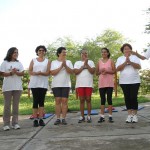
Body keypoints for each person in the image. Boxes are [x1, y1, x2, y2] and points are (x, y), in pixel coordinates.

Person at [0, 47, 24, 131]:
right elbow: (2, 74)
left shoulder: (19, 63)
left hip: (17, 87)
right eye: (14, 52)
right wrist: (11, 73)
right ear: (10, 53)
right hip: (7, 87)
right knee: (7, 106)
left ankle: (15, 123)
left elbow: (22, 73)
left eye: (17, 52)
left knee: (15, 106)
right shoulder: (5, 63)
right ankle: (6, 124)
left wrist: (16, 72)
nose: (16, 54)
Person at [116, 43, 141, 123]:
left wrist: (130, 62)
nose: (127, 50)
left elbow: (139, 67)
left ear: (131, 50)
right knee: (127, 97)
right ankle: (129, 115)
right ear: (123, 51)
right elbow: (118, 68)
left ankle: (134, 115)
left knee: (133, 97)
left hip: (135, 81)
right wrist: (125, 62)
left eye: (128, 48)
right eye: (125, 49)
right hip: (124, 81)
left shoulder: (135, 57)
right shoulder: (120, 58)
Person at [28, 45, 50, 127]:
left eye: (43, 50)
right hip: (34, 83)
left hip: (43, 84)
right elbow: (30, 71)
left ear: (45, 52)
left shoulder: (48, 61)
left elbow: (48, 72)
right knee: (35, 101)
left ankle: (41, 118)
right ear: (37, 52)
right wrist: (36, 73)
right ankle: (35, 120)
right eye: (39, 50)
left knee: (41, 101)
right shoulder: (33, 60)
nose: (41, 52)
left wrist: (42, 73)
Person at [50, 47, 73, 125]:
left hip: (66, 84)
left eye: (65, 52)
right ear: (59, 53)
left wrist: (65, 65)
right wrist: (61, 67)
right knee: (57, 100)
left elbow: (71, 72)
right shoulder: (53, 62)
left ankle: (63, 118)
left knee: (64, 101)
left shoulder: (69, 62)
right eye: (63, 52)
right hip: (56, 84)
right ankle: (57, 118)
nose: (65, 53)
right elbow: (52, 73)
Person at [74, 49, 95, 123]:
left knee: (88, 99)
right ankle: (82, 116)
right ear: (80, 54)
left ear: (87, 54)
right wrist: (83, 66)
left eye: (86, 53)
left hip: (88, 84)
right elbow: (76, 72)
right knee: (82, 100)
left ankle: (89, 116)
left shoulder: (91, 62)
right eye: (82, 53)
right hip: (80, 84)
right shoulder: (77, 63)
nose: (84, 54)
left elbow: (92, 71)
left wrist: (87, 64)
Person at [96, 48, 115, 123]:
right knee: (102, 99)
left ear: (107, 53)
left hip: (109, 83)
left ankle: (110, 116)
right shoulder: (99, 61)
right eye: (102, 52)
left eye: (105, 52)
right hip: (102, 83)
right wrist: (100, 71)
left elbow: (114, 71)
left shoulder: (111, 61)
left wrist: (107, 71)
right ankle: (102, 116)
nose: (103, 53)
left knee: (109, 99)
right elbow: (96, 73)